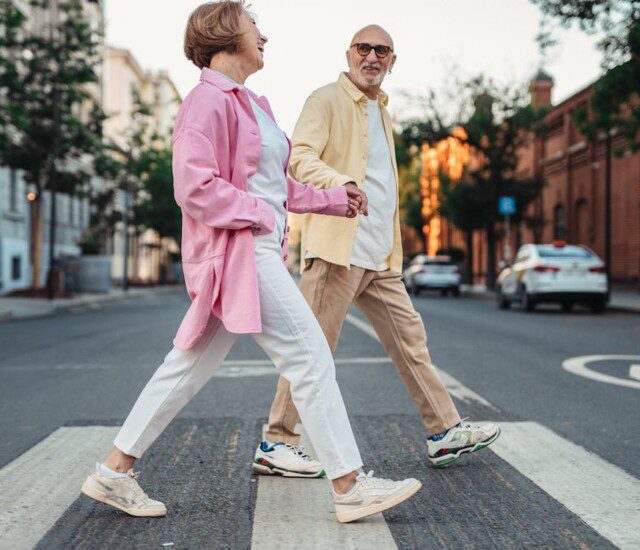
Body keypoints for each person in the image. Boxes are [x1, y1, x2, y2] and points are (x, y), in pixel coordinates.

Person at [80, 1, 422, 524]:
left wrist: (334, 198)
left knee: (187, 368)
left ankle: (112, 471)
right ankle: (350, 486)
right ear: (224, 34)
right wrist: (258, 214)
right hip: (241, 250)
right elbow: (193, 186)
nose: (264, 35)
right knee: (310, 358)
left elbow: (274, 184)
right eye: (254, 24)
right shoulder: (205, 101)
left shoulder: (250, 104)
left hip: (253, 246)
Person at [254, 24, 500, 478]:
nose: (372, 57)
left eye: (381, 51)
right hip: (337, 251)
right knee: (313, 350)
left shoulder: (382, 111)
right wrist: (338, 182)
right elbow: (299, 157)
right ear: (348, 55)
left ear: (392, 60)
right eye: (363, 48)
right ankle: (277, 441)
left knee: (411, 343)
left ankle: (444, 431)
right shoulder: (325, 99)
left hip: (380, 255)